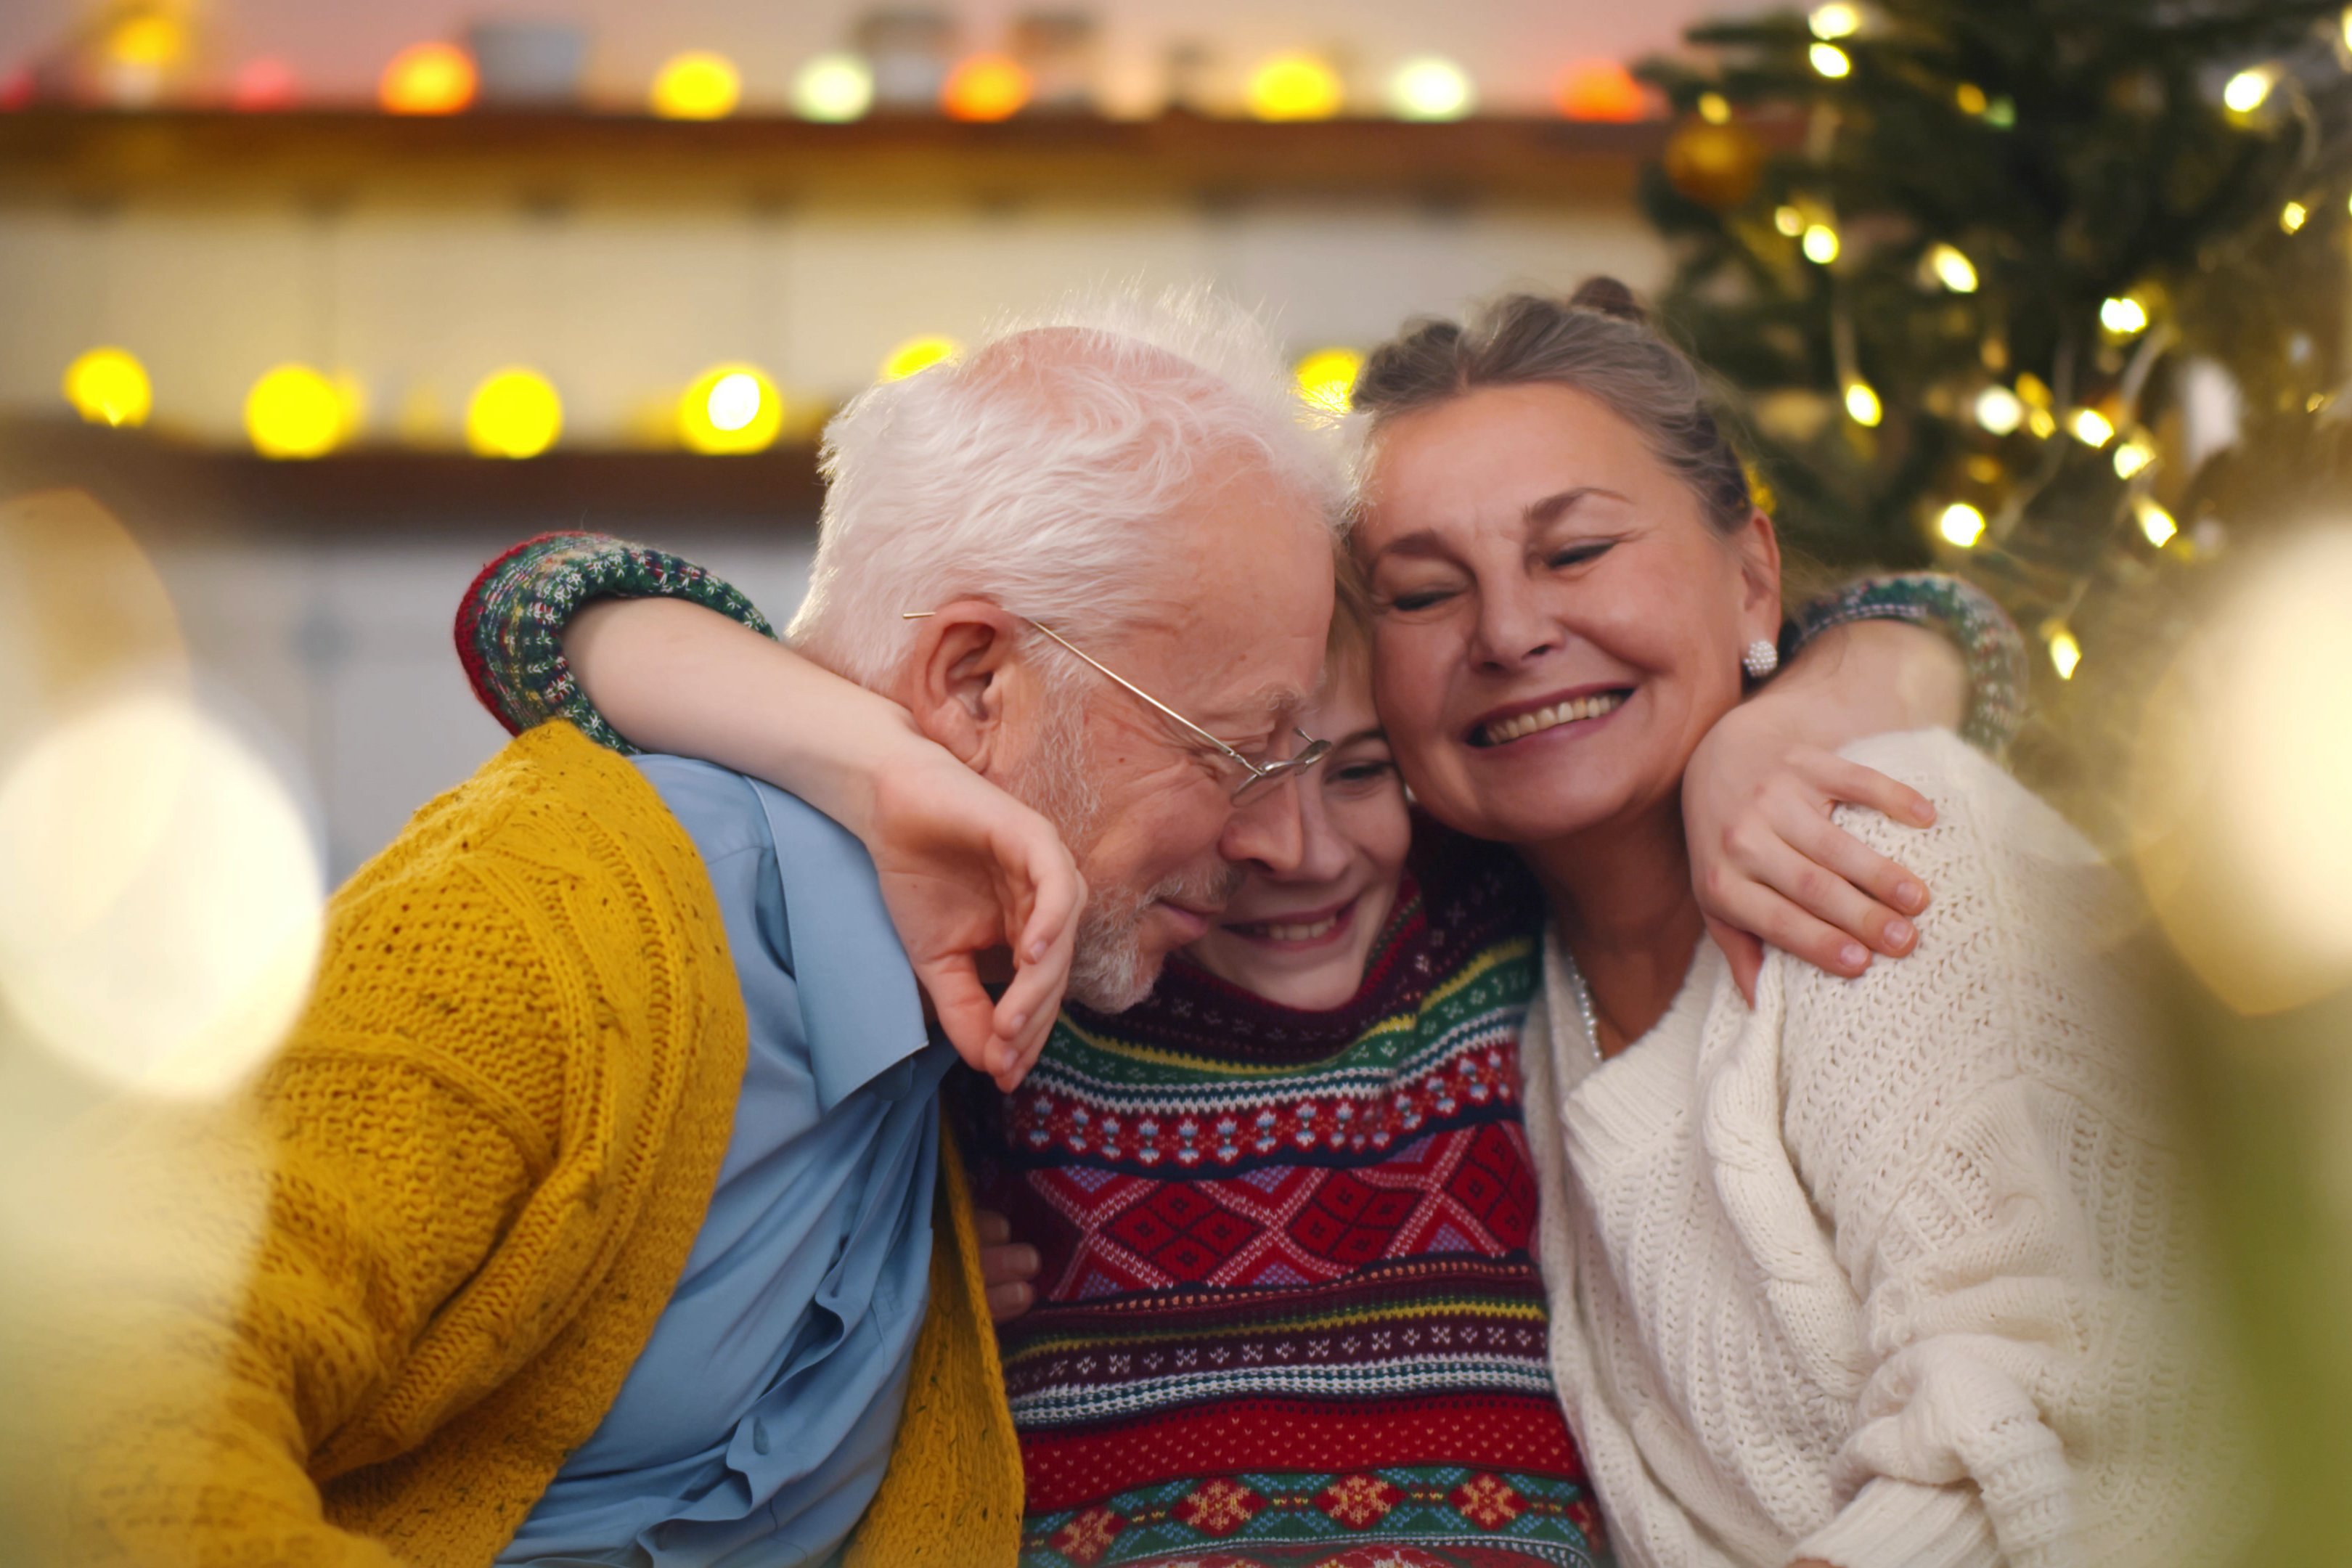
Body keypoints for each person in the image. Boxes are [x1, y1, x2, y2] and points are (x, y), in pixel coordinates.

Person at [452, 377, 2022, 1565]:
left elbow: (1930, 616)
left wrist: (1785, 723)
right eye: (1231, 762)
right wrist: (879, 766)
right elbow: (542, 602)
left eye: (1348, 769)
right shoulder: (1053, 937)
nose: (1289, 846)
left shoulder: (1472, 912)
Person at [41, 291, 1365, 1568]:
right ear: (973, 682)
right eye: (1238, 753)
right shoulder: (545, 927)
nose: (1284, 843)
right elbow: (85, 1403)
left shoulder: (1000, 1008)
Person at [1347, 282, 2242, 1567]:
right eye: (1424, 594)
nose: (1510, 631)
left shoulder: (1888, 840)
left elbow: (2067, 1439)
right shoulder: (1489, 983)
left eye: (1576, 551)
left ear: (1754, 578)